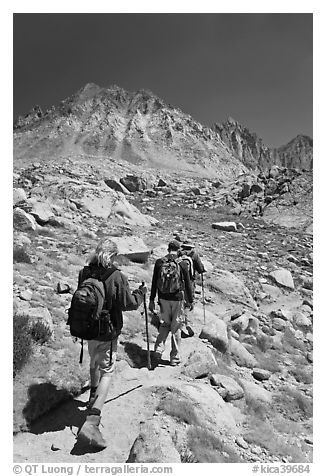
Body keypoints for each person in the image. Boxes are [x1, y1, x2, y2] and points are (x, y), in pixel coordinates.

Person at [76, 239, 146, 449]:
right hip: (107, 331)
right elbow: (128, 303)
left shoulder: (85, 272)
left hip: (87, 329)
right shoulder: (115, 275)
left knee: (94, 362)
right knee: (108, 370)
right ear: (113, 256)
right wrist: (140, 295)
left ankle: (92, 394)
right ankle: (92, 420)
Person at [149, 240, 193, 366]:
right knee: (176, 327)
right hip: (177, 299)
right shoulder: (182, 264)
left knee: (164, 324)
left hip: (163, 298)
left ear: (168, 249)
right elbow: (188, 285)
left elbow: (154, 283)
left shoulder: (159, 262)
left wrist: (152, 299)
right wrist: (190, 301)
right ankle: (174, 358)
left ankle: (157, 352)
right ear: (178, 250)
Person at [179, 241, 206, 338]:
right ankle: (188, 323)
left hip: (177, 284)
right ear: (192, 247)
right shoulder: (194, 255)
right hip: (189, 283)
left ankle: (178, 324)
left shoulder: (179, 254)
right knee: (188, 303)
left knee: (179, 303)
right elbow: (201, 269)